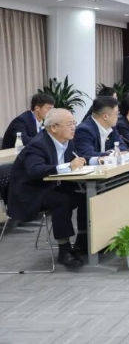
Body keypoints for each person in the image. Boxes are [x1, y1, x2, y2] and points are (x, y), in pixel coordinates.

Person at [7, 109, 106, 267]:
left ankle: (83, 239)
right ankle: (64, 250)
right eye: (69, 124)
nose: (73, 127)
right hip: (31, 193)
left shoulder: (67, 141)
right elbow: (35, 170)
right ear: (53, 127)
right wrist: (67, 166)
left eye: (74, 123)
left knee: (85, 193)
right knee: (62, 200)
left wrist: (98, 159)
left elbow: (78, 157)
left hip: (51, 186)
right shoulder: (38, 145)